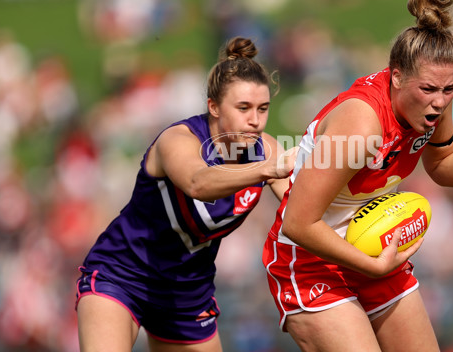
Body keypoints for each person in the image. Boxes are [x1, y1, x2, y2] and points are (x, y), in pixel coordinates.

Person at [262, 0, 453, 352]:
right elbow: (298, 222)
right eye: (428, 90)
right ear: (396, 77)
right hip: (311, 259)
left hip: (373, 249)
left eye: (449, 89)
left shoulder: (432, 97)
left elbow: (441, 164)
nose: (440, 103)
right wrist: (370, 266)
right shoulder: (361, 127)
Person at [75, 36, 296, 352]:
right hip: (123, 274)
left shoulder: (267, 152)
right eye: (243, 108)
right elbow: (198, 183)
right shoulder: (178, 141)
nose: (255, 121)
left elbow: (301, 208)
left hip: (187, 292)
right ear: (214, 107)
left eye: (263, 109)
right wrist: (267, 169)